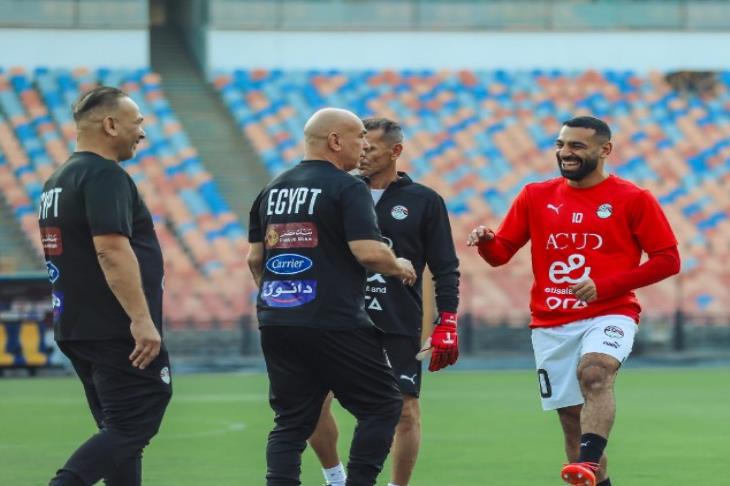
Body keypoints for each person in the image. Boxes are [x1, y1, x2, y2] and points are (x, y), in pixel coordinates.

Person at [468, 116, 680, 486]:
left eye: (577, 146)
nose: (565, 152)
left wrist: (606, 285)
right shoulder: (535, 195)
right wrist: (487, 240)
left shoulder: (633, 198)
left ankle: (586, 463)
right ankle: (590, 470)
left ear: (605, 150)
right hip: (550, 322)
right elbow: (501, 254)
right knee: (572, 422)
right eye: (561, 145)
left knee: (596, 372)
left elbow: (668, 260)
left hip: (610, 312)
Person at [247, 108, 418, 486]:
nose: (363, 145)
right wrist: (399, 264)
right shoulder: (348, 187)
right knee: (383, 405)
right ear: (335, 141)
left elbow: (255, 259)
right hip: (332, 319)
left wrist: (281, 300)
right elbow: (368, 252)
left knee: (291, 420)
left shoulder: (271, 189)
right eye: (358, 136)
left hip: (276, 319)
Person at [308, 117, 460, 486]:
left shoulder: (425, 201)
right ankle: (336, 478)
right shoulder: (338, 191)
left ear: (396, 151)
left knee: (405, 411)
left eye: (371, 147)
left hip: (395, 321)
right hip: (337, 319)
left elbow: (445, 267)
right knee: (311, 405)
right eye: (360, 144)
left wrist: (448, 321)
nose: (362, 152)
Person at [38, 87, 172, 486]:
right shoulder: (104, 175)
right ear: (110, 125)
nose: (142, 134)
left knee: (119, 433)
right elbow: (111, 250)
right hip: (115, 328)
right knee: (133, 424)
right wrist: (141, 319)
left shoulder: (56, 181)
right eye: (138, 124)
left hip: (78, 324)